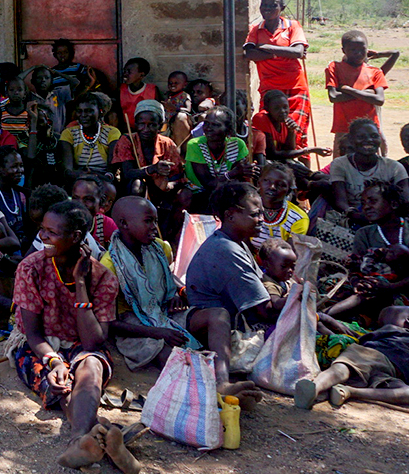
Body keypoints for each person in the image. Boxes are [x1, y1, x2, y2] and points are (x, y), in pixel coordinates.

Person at [10, 198, 136, 474]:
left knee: (91, 366)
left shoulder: (102, 277)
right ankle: (93, 433)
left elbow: (93, 341)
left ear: (76, 236)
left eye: (51, 232)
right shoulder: (30, 268)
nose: (42, 236)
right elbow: (32, 332)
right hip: (39, 346)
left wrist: (80, 284)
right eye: (42, 229)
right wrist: (54, 362)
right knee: (57, 382)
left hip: (82, 344)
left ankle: (81, 441)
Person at [184, 182, 276, 402]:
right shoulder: (226, 249)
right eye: (255, 214)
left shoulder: (238, 244)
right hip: (204, 324)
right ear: (230, 215)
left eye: (262, 213)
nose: (261, 219)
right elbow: (263, 309)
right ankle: (221, 381)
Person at [100, 197, 198, 370]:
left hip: (163, 311)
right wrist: (158, 333)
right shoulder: (109, 266)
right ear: (124, 223)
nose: (154, 227)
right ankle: (194, 383)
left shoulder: (161, 248)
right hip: (133, 324)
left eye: (156, 221)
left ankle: (221, 373)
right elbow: (110, 323)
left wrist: (176, 294)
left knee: (216, 316)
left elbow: (166, 279)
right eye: (148, 221)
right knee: (168, 354)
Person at [295, 308, 409, 410]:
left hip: (388, 372)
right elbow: (361, 339)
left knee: (342, 369)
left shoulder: (394, 330)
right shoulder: (396, 330)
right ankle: (315, 387)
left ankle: (348, 391)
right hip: (374, 355)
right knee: (341, 369)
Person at [327, 182, 409, 323]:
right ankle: (323, 316)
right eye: (363, 203)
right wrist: (358, 284)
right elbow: (354, 268)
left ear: (394, 204)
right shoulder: (364, 233)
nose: (366, 207)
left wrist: (390, 287)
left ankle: (322, 316)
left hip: (402, 290)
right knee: (334, 284)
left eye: (373, 201)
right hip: (373, 290)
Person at [243, 0, 312, 136]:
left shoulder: (293, 26)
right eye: (264, 5)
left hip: (294, 87)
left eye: (273, 5)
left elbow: (298, 52)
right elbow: (249, 54)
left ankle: (298, 158)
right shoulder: (255, 30)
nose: (267, 8)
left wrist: (265, 48)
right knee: (268, 131)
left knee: (296, 133)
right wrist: (283, 51)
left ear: (282, 8)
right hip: (269, 88)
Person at [326, 29, 398, 149]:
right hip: (344, 127)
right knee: (342, 163)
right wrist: (368, 93)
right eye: (353, 50)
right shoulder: (335, 67)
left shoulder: (374, 71)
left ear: (367, 50)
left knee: (371, 161)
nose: (358, 53)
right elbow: (333, 97)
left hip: (369, 127)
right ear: (344, 51)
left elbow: (379, 99)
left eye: (362, 50)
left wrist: (347, 90)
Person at [328, 118, 409, 217]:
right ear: (351, 140)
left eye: (374, 136)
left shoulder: (394, 167)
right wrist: (356, 216)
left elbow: (405, 199)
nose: (369, 140)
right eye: (361, 137)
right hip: (353, 218)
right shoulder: (340, 164)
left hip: (385, 218)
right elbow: (340, 201)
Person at [183, 106, 253, 209]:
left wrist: (250, 170)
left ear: (228, 129)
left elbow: (239, 176)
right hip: (198, 192)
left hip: (226, 190)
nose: (208, 128)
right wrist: (233, 173)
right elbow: (208, 183)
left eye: (215, 125)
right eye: (206, 123)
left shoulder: (237, 145)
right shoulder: (195, 145)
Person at [59, 97, 120, 180]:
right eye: (79, 111)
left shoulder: (112, 133)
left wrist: (95, 176)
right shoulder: (68, 133)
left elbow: (111, 171)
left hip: (103, 179)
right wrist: (85, 176)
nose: (83, 115)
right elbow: (68, 171)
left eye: (89, 111)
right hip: (78, 179)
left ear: (100, 112)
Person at [253, 162, 308, 246]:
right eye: (267, 181)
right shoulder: (246, 209)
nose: (272, 187)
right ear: (258, 183)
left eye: (280, 184)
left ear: (288, 191)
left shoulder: (298, 218)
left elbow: (289, 254)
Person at [116, 58, 160, 132]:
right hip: (126, 129)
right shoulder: (121, 89)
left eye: (129, 72)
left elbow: (158, 112)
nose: (125, 74)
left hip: (146, 129)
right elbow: (118, 112)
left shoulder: (152, 90)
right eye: (125, 71)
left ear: (141, 75)